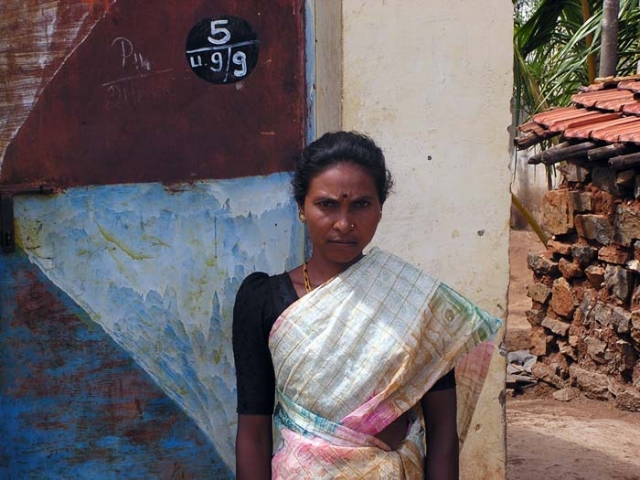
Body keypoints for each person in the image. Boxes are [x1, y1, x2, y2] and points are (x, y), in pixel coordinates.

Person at [232, 131, 502, 479]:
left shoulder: (417, 303)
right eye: (327, 205)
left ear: (380, 209)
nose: (344, 224)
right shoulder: (263, 301)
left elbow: (442, 431)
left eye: (361, 205)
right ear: (301, 207)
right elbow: (253, 434)